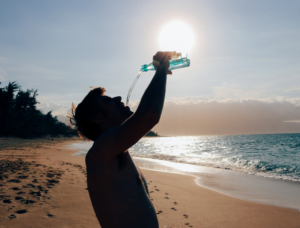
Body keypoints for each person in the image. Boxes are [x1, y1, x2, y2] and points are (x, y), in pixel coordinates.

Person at [70, 51, 174, 228]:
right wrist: (161, 71)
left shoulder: (116, 151)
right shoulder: (101, 151)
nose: (118, 98)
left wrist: (161, 73)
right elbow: (149, 115)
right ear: (98, 117)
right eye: (108, 100)